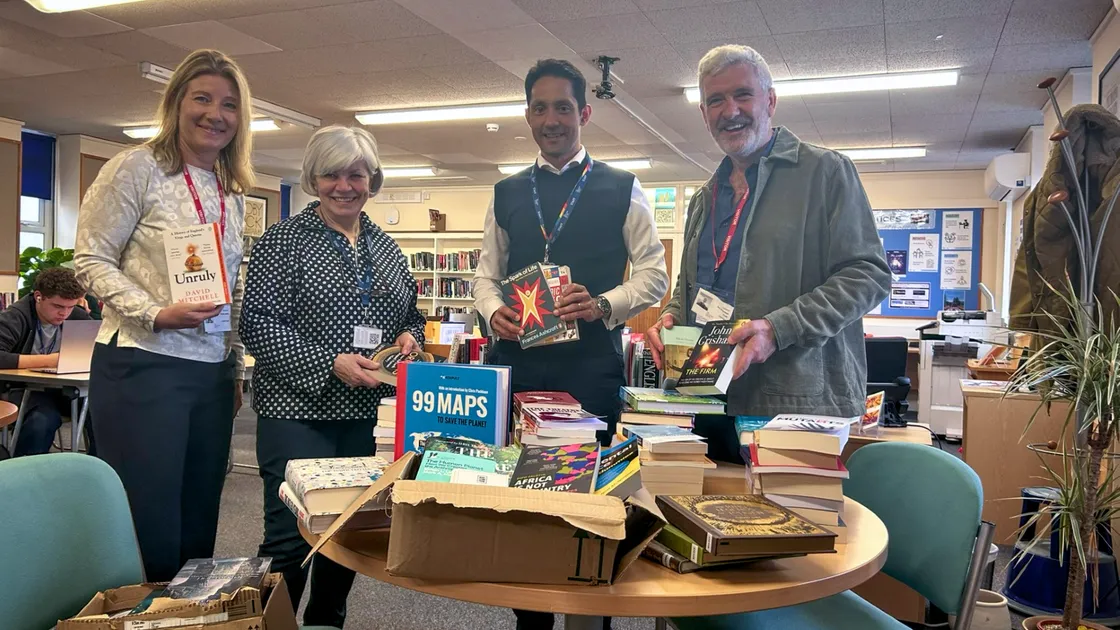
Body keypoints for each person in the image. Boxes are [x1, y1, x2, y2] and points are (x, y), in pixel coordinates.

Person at [472, 58, 668, 630]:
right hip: (519, 368)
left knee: (590, 510)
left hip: (589, 371)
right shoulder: (507, 191)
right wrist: (492, 311)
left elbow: (654, 274)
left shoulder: (622, 188)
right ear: (527, 115)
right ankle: (528, 621)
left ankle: (590, 619)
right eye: (540, 107)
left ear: (584, 113)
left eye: (563, 107)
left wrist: (607, 303)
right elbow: (486, 275)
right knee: (524, 507)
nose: (551, 119)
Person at [646, 44, 891, 463]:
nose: (730, 110)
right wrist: (672, 315)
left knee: (790, 526)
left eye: (742, 95)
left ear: (770, 100)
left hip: (794, 405)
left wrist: (777, 328)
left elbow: (868, 274)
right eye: (716, 100)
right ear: (704, 114)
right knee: (705, 520)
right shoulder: (704, 198)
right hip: (708, 399)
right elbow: (697, 286)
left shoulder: (825, 172)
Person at [74, 49, 254, 582]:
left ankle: (182, 616)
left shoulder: (231, 189)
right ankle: (135, 615)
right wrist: (154, 311)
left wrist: (235, 362)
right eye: (202, 98)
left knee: (200, 514)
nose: (214, 114)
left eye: (229, 104)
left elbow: (229, 290)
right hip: (143, 365)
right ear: (176, 103)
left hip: (212, 374)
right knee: (147, 516)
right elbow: (89, 260)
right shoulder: (136, 168)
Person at [239, 125, 426, 628]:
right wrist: (330, 362)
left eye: (356, 174)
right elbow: (257, 324)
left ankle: (326, 623)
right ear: (312, 179)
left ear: (372, 180)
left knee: (347, 535)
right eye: (331, 174)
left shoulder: (386, 247)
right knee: (287, 539)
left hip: (367, 417)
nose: (344, 185)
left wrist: (411, 340)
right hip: (298, 414)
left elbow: (410, 315)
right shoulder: (284, 240)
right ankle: (272, 624)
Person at [0, 267, 92, 456]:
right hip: (21, 388)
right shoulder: (16, 316)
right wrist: (51, 361)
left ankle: (101, 472)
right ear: (38, 296)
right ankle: (22, 475)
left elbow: (98, 345)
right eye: (58, 306)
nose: (64, 313)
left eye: (70, 307)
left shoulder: (77, 316)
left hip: (63, 388)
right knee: (42, 419)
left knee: (102, 413)